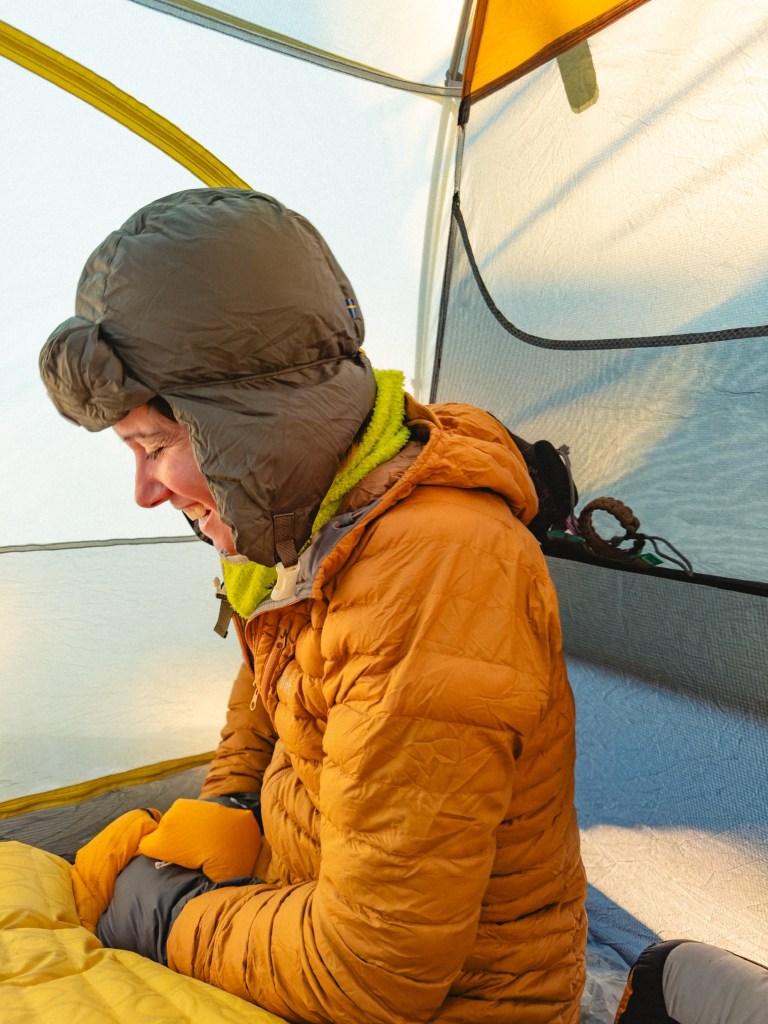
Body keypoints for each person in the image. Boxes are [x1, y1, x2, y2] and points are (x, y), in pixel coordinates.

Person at [39, 187, 587, 1024]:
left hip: (460, 1004)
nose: (145, 492)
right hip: (307, 910)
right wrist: (229, 801)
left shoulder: (436, 572)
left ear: (247, 425)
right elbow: (268, 680)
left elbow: (377, 969)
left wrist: (174, 918)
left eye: (154, 446)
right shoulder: (305, 517)